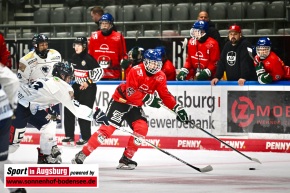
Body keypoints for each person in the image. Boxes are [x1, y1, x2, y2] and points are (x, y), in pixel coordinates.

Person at [71, 49, 189, 169]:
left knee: (142, 129)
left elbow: (165, 95)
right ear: (145, 61)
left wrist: (177, 108)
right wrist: (148, 99)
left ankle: (126, 158)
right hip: (121, 101)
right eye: (152, 62)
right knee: (106, 131)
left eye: (157, 63)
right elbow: (130, 93)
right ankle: (82, 154)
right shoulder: (136, 70)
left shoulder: (160, 76)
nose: (154, 66)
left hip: (135, 106)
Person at [9, 62, 108, 164]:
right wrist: (95, 114)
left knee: (49, 124)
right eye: (68, 77)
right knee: (12, 146)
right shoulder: (62, 86)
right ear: (61, 75)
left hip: (28, 106)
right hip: (19, 106)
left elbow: (36, 97)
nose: (69, 80)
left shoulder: (48, 79)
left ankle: (45, 155)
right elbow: (76, 109)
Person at [62, 37, 104, 146]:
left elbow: (100, 72)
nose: (76, 47)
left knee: (84, 112)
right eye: (75, 45)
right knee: (69, 108)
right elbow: (73, 70)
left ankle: (86, 137)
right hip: (77, 86)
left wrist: (88, 82)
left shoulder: (89, 58)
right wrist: (68, 77)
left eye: (79, 45)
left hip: (88, 88)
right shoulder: (74, 57)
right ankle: (69, 136)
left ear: (84, 46)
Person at [0, 63, 26, 193]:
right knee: (0, 160)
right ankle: (18, 189)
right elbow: (13, 81)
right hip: (3, 112)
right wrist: (11, 108)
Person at [89, 13, 127, 80]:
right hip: (97, 75)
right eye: (102, 23)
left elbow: (123, 55)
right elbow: (90, 55)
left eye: (106, 23)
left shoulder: (119, 37)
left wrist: (124, 61)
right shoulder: (94, 36)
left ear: (111, 24)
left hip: (113, 74)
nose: (104, 25)